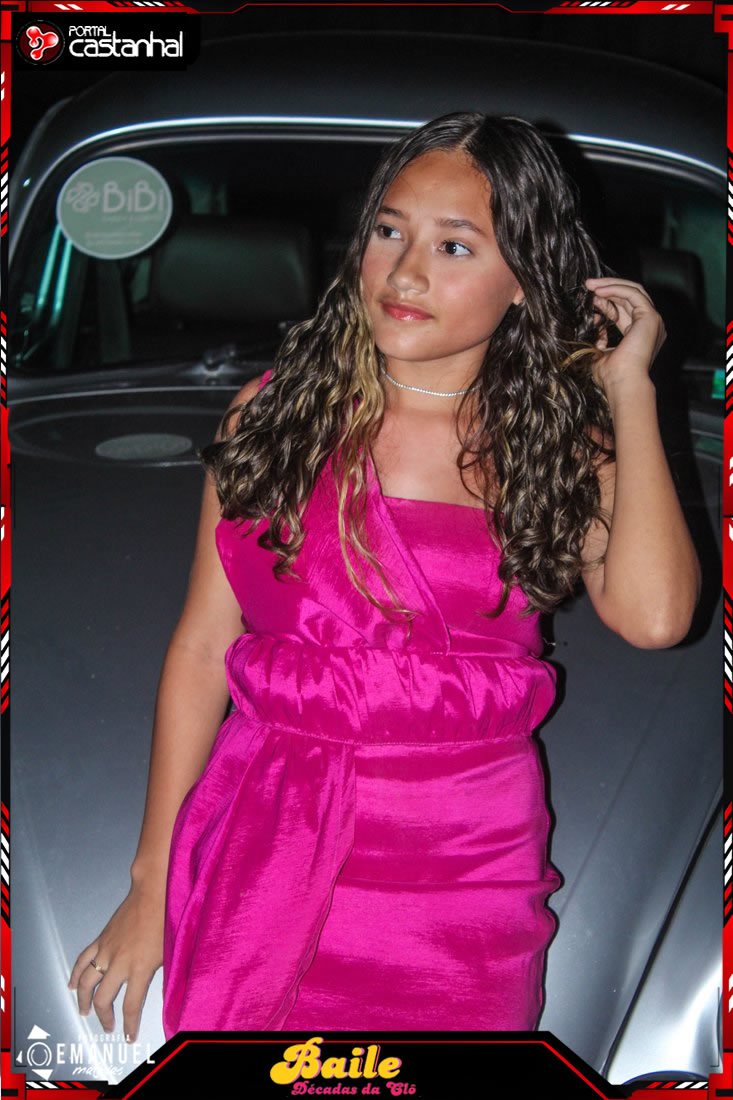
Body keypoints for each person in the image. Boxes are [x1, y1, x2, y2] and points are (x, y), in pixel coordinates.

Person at [67, 112, 701, 1042]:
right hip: (266, 838)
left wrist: (628, 388)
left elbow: (655, 617)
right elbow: (204, 647)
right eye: (388, 231)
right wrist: (151, 879)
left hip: (464, 877)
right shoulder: (271, 419)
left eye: (454, 246)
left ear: (525, 279)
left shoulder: (559, 448)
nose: (404, 274)